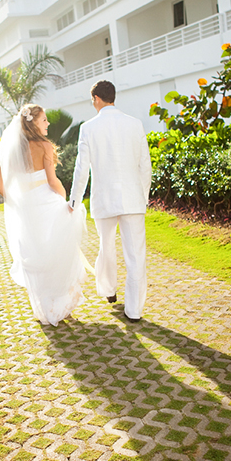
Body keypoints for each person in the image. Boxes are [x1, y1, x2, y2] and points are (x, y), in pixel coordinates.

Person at [0, 104, 88, 326]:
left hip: (26, 210)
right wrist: (65, 200)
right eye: (44, 120)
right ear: (34, 122)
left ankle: (44, 310)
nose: (48, 124)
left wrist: (19, 204)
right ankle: (60, 307)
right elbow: (52, 180)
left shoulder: (13, 148)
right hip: (48, 204)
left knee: (35, 256)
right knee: (57, 255)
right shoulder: (44, 145)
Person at [68, 80, 152, 322]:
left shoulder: (88, 128)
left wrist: (74, 200)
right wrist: (143, 196)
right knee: (136, 255)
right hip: (133, 199)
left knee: (106, 246)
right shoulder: (134, 124)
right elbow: (144, 165)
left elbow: (81, 168)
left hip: (104, 199)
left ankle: (108, 291)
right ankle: (134, 310)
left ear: (96, 98)